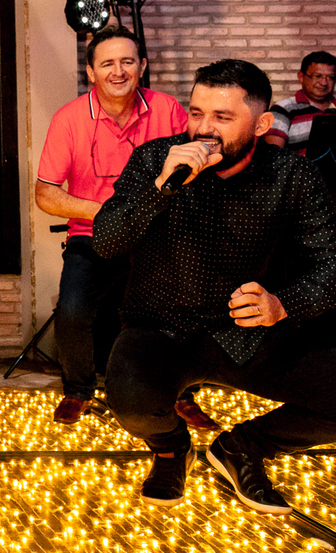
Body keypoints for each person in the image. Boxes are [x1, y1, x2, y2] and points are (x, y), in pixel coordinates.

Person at [95, 59, 336, 513]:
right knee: (131, 402)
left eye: (222, 117)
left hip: (245, 328)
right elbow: (105, 243)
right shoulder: (154, 159)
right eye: (196, 113)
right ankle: (171, 449)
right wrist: (161, 187)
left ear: (261, 125)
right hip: (159, 324)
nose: (204, 129)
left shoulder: (291, 175)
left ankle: (242, 447)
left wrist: (284, 303)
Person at [35, 26, 217, 430]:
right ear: (91, 72)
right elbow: (45, 194)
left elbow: (201, 163)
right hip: (93, 236)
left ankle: (180, 394)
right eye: (107, 63)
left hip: (156, 237)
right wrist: (110, 212)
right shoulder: (69, 118)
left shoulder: (168, 110)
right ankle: (78, 390)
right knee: (72, 311)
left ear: (142, 66)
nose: (118, 71)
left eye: (127, 62)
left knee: (179, 310)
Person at [264, 51, 336, 154]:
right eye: (317, 76)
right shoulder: (282, 110)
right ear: (301, 77)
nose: (324, 83)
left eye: (330, 77)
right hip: (299, 165)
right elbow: (273, 155)